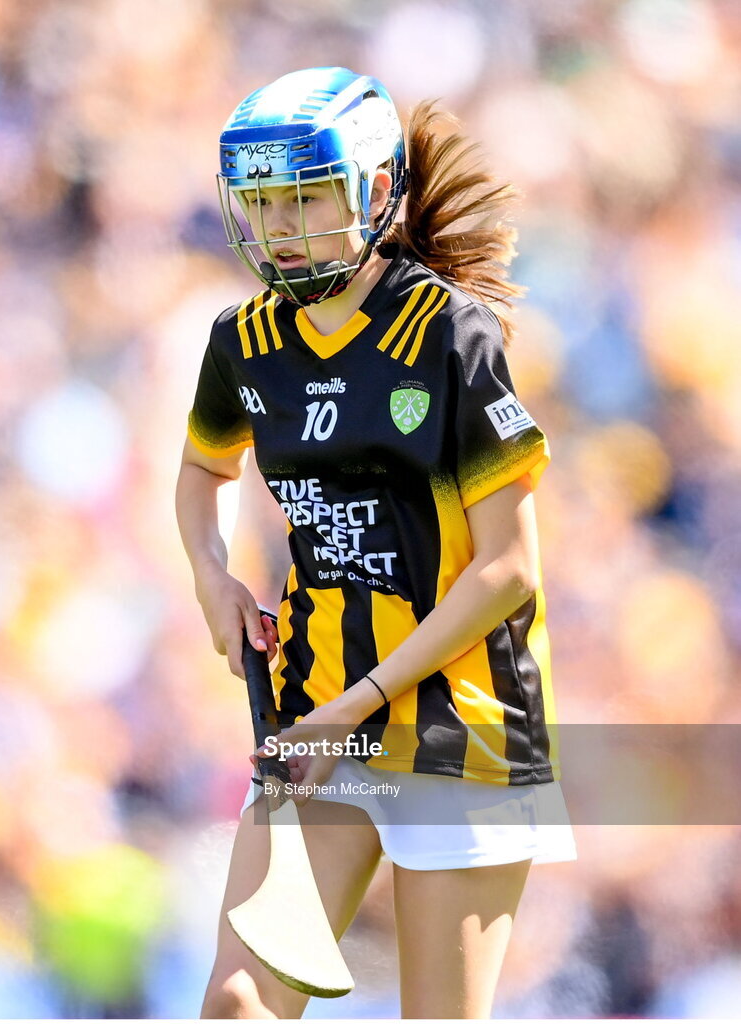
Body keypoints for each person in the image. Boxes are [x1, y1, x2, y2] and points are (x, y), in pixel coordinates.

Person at [176, 65, 576, 1019]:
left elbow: (509, 568)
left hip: (459, 727)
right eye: (264, 203)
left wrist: (356, 704)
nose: (283, 226)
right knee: (237, 1003)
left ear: (373, 188)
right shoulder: (246, 341)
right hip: (315, 710)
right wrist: (211, 573)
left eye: (307, 197)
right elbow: (202, 475)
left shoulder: (448, 333)